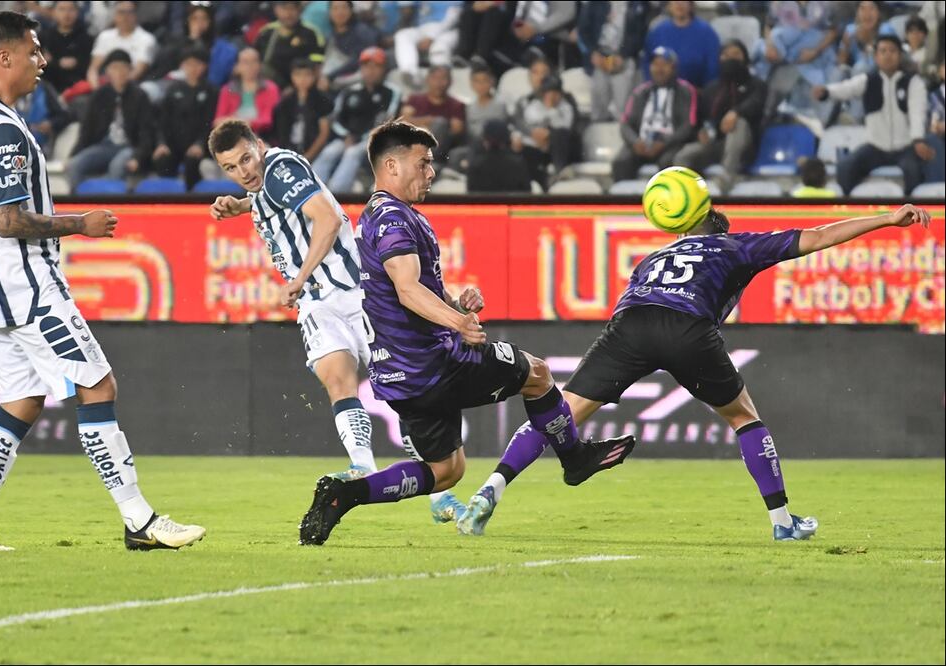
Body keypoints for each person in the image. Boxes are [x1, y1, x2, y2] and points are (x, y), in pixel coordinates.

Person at [460, 201, 933, 541]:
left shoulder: (653, 256)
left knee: (559, 412)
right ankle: (783, 522)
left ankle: (488, 492)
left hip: (630, 324)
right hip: (687, 326)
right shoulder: (735, 247)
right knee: (744, 417)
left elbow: (639, 297)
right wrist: (887, 218)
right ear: (719, 229)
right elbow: (820, 235)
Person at [0, 11, 204, 551]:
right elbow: (7, 220)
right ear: (5, 56)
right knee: (98, 386)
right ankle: (139, 521)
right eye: (33, 52)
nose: (42, 62)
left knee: (22, 400)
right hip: (29, 287)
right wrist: (80, 225)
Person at [298, 120, 632, 546]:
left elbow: (405, 289)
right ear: (392, 165)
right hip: (437, 363)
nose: (431, 172)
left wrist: (456, 304)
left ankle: (345, 495)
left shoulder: (375, 217)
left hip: (400, 375)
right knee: (538, 374)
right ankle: (576, 458)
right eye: (423, 164)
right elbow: (406, 289)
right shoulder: (394, 217)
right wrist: (458, 323)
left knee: (446, 472)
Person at [206, 119, 468, 522]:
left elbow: (326, 218)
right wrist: (238, 205)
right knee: (337, 378)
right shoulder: (264, 184)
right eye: (231, 168)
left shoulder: (279, 169)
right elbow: (274, 204)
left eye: (246, 158)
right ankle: (363, 467)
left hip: (355, 290)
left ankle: (438, 491)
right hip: (319, 301)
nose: (243, 172)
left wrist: (298, 277)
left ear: (259, 145)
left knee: (400, 393)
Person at [812, 35, 930, 195]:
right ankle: (849, 211)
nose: (888, 55)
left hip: (905, 147)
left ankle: (910, 215)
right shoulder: (867, 80)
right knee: (845, 168)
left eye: (892, 51)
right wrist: (827, 92)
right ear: (876, 56)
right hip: (876, 147)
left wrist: (917, 139)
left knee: (914, 172)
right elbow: (846, 88)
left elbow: (918, 111)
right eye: (883, 51)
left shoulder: (913, 82)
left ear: (900, 55)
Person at [674, 39, 767, 190]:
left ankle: (728, 177)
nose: (731, 59)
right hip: (716, 144)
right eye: (726, 55)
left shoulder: (757, 85)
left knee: (739, 123)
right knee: (684, 155)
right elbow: (701, 118)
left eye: (736, 54)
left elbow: (755, 104)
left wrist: (736, 112)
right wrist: (701, 132)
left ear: (745, 58)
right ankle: (686, 192)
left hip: (745, 146)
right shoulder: (712, 88)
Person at [312, 46, 400, 193]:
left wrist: (360, 137)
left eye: (376, 66)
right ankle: (311, 191)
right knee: (330, 150)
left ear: (384, 69)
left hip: (375, 141)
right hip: (347, 137)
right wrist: (346, 135)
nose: (371, 71)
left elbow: (389, 119)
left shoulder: (392, 92)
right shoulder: (349, 91)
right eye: (366, 66)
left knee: (353, 152)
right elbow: (336, 119)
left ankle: (337, 194)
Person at [68, 49, 156, 188]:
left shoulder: (140, 96)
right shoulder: (99, 96)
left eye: (124, 67)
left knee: (118, 165)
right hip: (104, 145)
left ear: (130, 70)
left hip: (129, 146)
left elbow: (146, 132)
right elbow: (87, 130)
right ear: (107, 71)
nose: (120, 72)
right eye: (115, 68)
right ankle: (80, 204)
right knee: (74, 166)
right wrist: (74, 154)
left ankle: (109, 203)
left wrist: (138, 157)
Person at [612, 46, 698, 183]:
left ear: (674, 67)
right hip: (641, 143)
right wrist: (635, 142)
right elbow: (625, 123)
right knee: (621, 162)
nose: (659, 69)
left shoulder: (686, 90)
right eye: (655, 64)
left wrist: (664, 142)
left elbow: (689, 124)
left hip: (670, 144)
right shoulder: (640, 92)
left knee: (669, 165)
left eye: (664, 64)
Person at [152, 47, 216, 190]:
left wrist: (200, 144)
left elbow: (210, 122)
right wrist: (161, 143)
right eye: (188, 64)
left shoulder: (211, 91)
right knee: (162, 160)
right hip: (173, 144)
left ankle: (191, 199)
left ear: (204, 66)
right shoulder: (173, 90)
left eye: (196, 64)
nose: (192, 68)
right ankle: (165, 201)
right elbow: (163, 121)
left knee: (192, 162)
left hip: (199, 145)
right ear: (182, 66)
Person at [577, 0, 651, 122]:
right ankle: (597, 138)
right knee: (598, 107)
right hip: (600, 59)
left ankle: (624, 136)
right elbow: (583, 30)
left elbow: (641, 32)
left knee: (624, 109)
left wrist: (624, 54)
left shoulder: (637, 4)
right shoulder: (594, 3)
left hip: (624, 61)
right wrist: (593, 52)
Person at [642, 0, 721, 89]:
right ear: (669, 5)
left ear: (691, 4)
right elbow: (647, 63)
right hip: (661, 92)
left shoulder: (707, 33)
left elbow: (713, 69)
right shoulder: (657, 32)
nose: (679, 4)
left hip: (697, 94)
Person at [271, 58, 334, 161]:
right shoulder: (286, 102)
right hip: (288, 151)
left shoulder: (323, 101)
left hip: (314, 153)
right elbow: (280, 130)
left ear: (314, 76)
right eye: (298, 74)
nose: (302, 79)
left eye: (307, 75)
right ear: (292, 76)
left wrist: (308, 156)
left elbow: (323, 133)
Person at [253, 0, 325, 90]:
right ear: (276, 10)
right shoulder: (267, 32)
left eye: (292, 9)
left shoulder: (311, 33)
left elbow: (318, 64)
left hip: (301, 85)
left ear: (299, 9)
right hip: (270, 85)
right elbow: (255, 58)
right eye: (284, 9)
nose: (288, 14)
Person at [401, 65, 466, 162]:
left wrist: (434, 126)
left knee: (440, 124)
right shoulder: (414, 100)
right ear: (427, 79)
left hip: (440, 148)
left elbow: (456, 129)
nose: (439, 83)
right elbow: (403, 120)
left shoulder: (456, 105)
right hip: (414, 144)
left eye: (443, 78)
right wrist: (428, 121)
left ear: (450, 82)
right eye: (435, 78)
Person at [86, 1, 158, 88]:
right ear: (115, 15)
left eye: (130, 12)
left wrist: (115, 91)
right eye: (121, 12)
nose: (125, 16)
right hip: (104, 84)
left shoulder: (146, 39)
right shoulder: (104, 36)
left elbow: (138, 72)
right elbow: (93, 69)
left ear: (136, 15)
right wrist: (97, 90)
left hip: (133, 86)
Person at [213, 47, 281, 138]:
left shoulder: (271, 88)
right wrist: (243, 122)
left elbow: (268, 120)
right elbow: (218, 120)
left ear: (260, 65)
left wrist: (239, 122)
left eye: (254, 61)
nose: (250, 66)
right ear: (237, 66)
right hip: (234, 136)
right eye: (245, 62)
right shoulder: (227, 89)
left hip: (262, 136)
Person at [393, 1, 461, 85]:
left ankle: (441, 80)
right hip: (422, 28)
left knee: (439, 47)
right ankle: (410, 72)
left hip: (449, 29)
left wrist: (431, 36)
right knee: (402, 35)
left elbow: (454, 17)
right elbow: (406, 8)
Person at [321, 0, 379, 91]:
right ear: (329, 12)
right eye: (335, 8)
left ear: (351, 10)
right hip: (335, 77)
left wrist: (330, 77)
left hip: (358, 78)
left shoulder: (362, 31)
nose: (340, 12)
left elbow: (358, 61)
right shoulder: (331, 35)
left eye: (344, 8)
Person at [38, 0, 93, 96]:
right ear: (54, 12)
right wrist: (59, 63)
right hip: (49, 87)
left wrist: (53, 61)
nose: (66, 14)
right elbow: (41, 66)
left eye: (71, 9)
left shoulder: (86, 38)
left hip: (78, 89)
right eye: (62, 9)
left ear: (77, 12)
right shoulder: (43, 37)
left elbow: (86, 65)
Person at [466, 118, 531, 192]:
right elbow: (527, 192)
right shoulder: (518, 164)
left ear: (485, 139)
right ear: (507, 138)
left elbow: (470, 194)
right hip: (511, 203)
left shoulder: (475, 166)